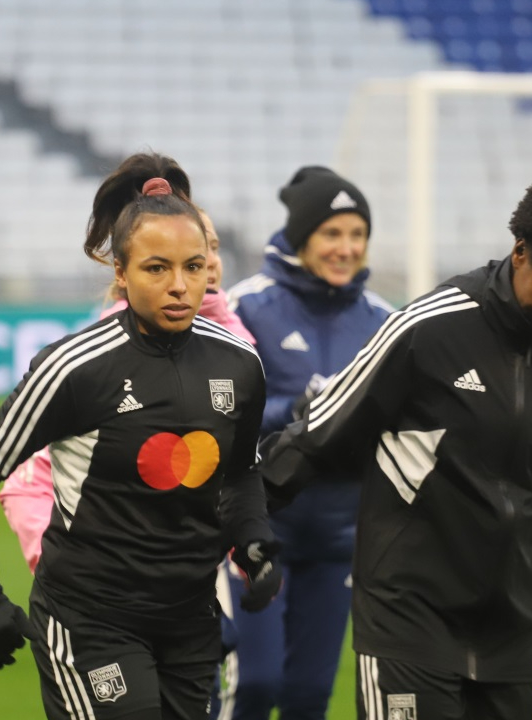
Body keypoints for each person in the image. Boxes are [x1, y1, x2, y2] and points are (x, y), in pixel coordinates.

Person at [263, 171, 532, 720]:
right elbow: (319, 434)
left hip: (511, 629)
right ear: (521, 251)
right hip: (407, 618)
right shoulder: (428, 327)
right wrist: (239, 518)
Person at [0, 152, 279, 720]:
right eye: (157, 268)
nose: (179, 286)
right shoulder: (76, 366)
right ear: (121, 273)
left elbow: (242, 470)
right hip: (89, 622)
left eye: (194, 266)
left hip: (190, 620)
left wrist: (254, 542)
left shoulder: (240, 361)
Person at [218, 166, 391, 720]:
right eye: (332, 234)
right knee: (255, 684)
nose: (346, 249)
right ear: (301, 236)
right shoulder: (244, 307)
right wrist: (292, 413)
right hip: (257, 531)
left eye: (357, 235)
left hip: (340, 538)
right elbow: (217, 414)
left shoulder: (385, 322)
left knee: (308, 697)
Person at [0, 207, 254, 573]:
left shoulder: (240, 342)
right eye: (161, 264)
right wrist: (62, 568)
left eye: (211, 248)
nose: (211, 261)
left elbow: (238, 462)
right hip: (115, 579)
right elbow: (27, 479)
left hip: (201, 564)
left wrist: (249, 539)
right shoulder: (104, 356)